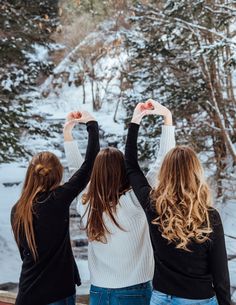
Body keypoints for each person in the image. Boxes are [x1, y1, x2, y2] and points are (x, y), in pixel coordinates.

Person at [63, 101, 175, 305]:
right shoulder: (136, 200)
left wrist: (68, 134)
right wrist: (166, 117)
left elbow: (76, 170)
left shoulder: (86, 201)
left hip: (98, 292)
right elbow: (163, 164)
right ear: (124, 171)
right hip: (134, 291)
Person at [125, 101, 231, 305]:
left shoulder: (154, 205)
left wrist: (135, 120)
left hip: (162, 298)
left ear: (165, 174)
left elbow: (130, 165)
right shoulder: (209, 216)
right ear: (196, 174)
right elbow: (221, 275)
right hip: (200, 299)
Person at [11, 111, 99, 305]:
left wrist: (68, 131)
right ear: (58, 174)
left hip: (27, 294)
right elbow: (89, 165)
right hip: (58, 294)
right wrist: (91, 123)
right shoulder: (57, 199)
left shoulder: (18, 209)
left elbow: (24, 253)